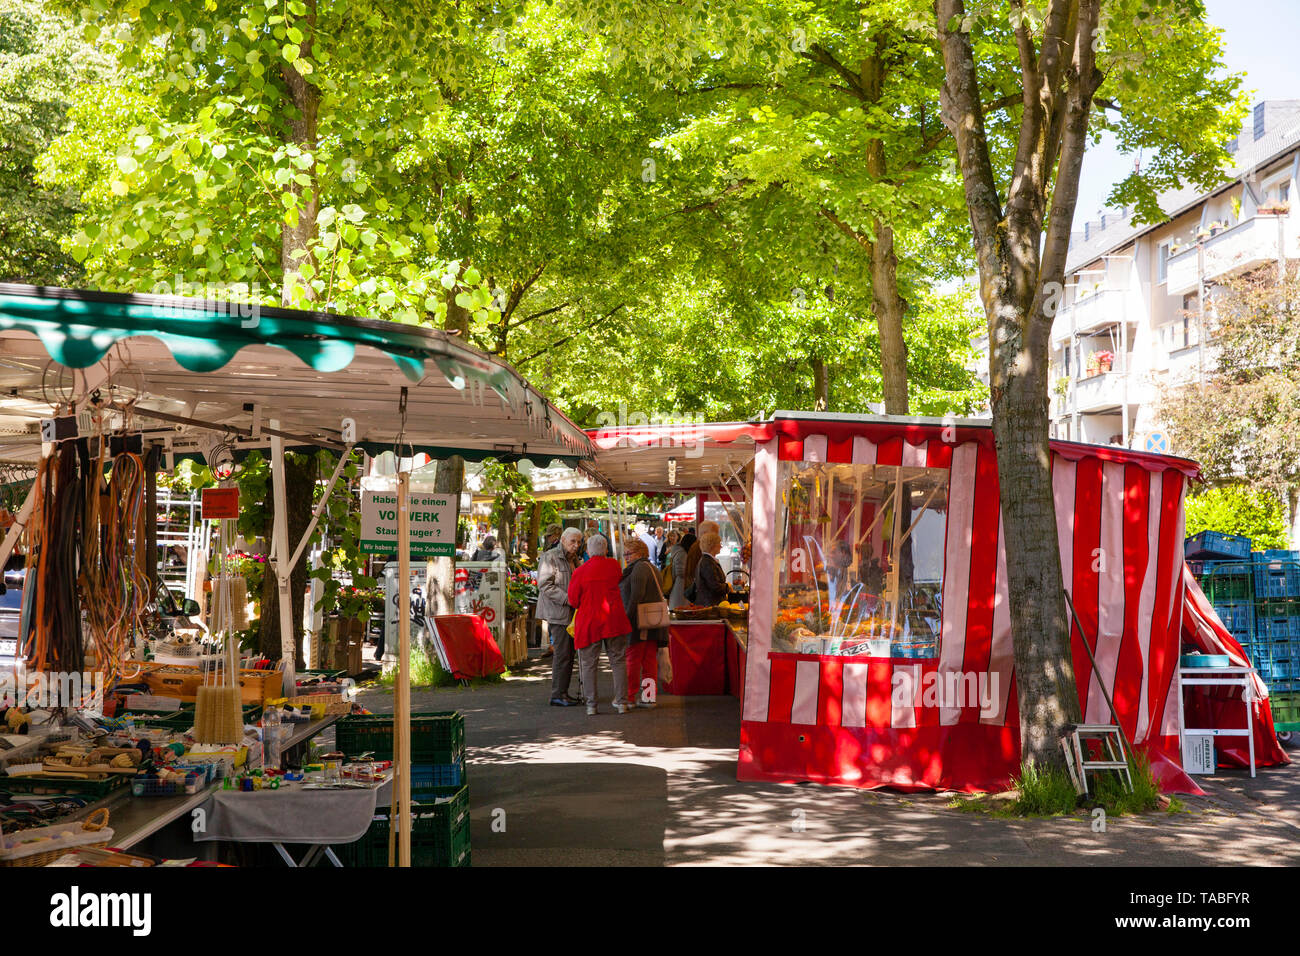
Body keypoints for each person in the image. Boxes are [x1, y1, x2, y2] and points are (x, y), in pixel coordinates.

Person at [566, 534, 631, 715]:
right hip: (613, 619)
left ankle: (591, 705)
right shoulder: (614, 566)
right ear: (606, 549)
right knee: (618, 661)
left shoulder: (580, 571)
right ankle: (622, 702)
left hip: (589, 621)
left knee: (588, 664)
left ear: (587, 550)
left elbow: (573, 600)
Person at [619, 538, 669, 708]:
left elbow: (636, 597)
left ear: (640, 553)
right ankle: (648, 698)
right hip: (652, 621)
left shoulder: (639, 568)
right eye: (625, 553)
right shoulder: (652, 567)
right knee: (649, 661)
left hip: (639, 622)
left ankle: (630, 697)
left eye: (629, 553)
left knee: (632, 660)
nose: (626, 557)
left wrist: (626, 618)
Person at [538, 528, 583, 706]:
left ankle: (562, 692)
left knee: (568, 654)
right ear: (563, 540)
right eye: (573, 541)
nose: (576, 545)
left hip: (569, 614)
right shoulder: (550, 557)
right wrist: (567, 599)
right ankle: (557, 694)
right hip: (558, 613)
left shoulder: (574, 559)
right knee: (563, 655)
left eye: (578, 542)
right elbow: (544, 585)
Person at [684, 520, 718, 599]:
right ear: (705, 533)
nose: (717, 537)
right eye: (715, 534)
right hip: (701, 597)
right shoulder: (699, 548)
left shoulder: (699, 547)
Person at [694, 531, 729, 607]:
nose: (721, 546)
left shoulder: (707, 560)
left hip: (709, 603)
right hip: (710, 605)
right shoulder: (708, 562)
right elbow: (714, 586)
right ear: (713, 545)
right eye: (719, 543)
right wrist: (727, 587)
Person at [662, 530, 689, 609]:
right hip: (668, 571)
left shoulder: (680, 549)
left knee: (670, 591)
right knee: (668, 590)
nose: (672, 537)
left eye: (674, 536)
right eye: (670, 536)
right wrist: (665, 554)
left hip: (673, 572)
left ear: (678, 537)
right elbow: (660, 557)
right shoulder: (666, 544)